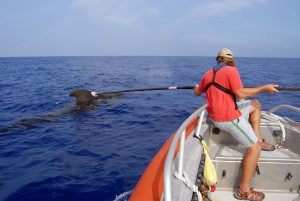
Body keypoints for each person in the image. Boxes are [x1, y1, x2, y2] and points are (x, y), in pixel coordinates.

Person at [193, 48, 278, 201]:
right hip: (228, 118)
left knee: (255, 104)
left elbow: (198, 92)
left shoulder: (207, 74)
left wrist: (196, 89)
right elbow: (240, 93)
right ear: (230, 60)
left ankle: (257, 137)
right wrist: (264, 88)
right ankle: (243, 190)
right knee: (255, 149)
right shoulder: (231, 70)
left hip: (215, 116)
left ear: (218, 59)